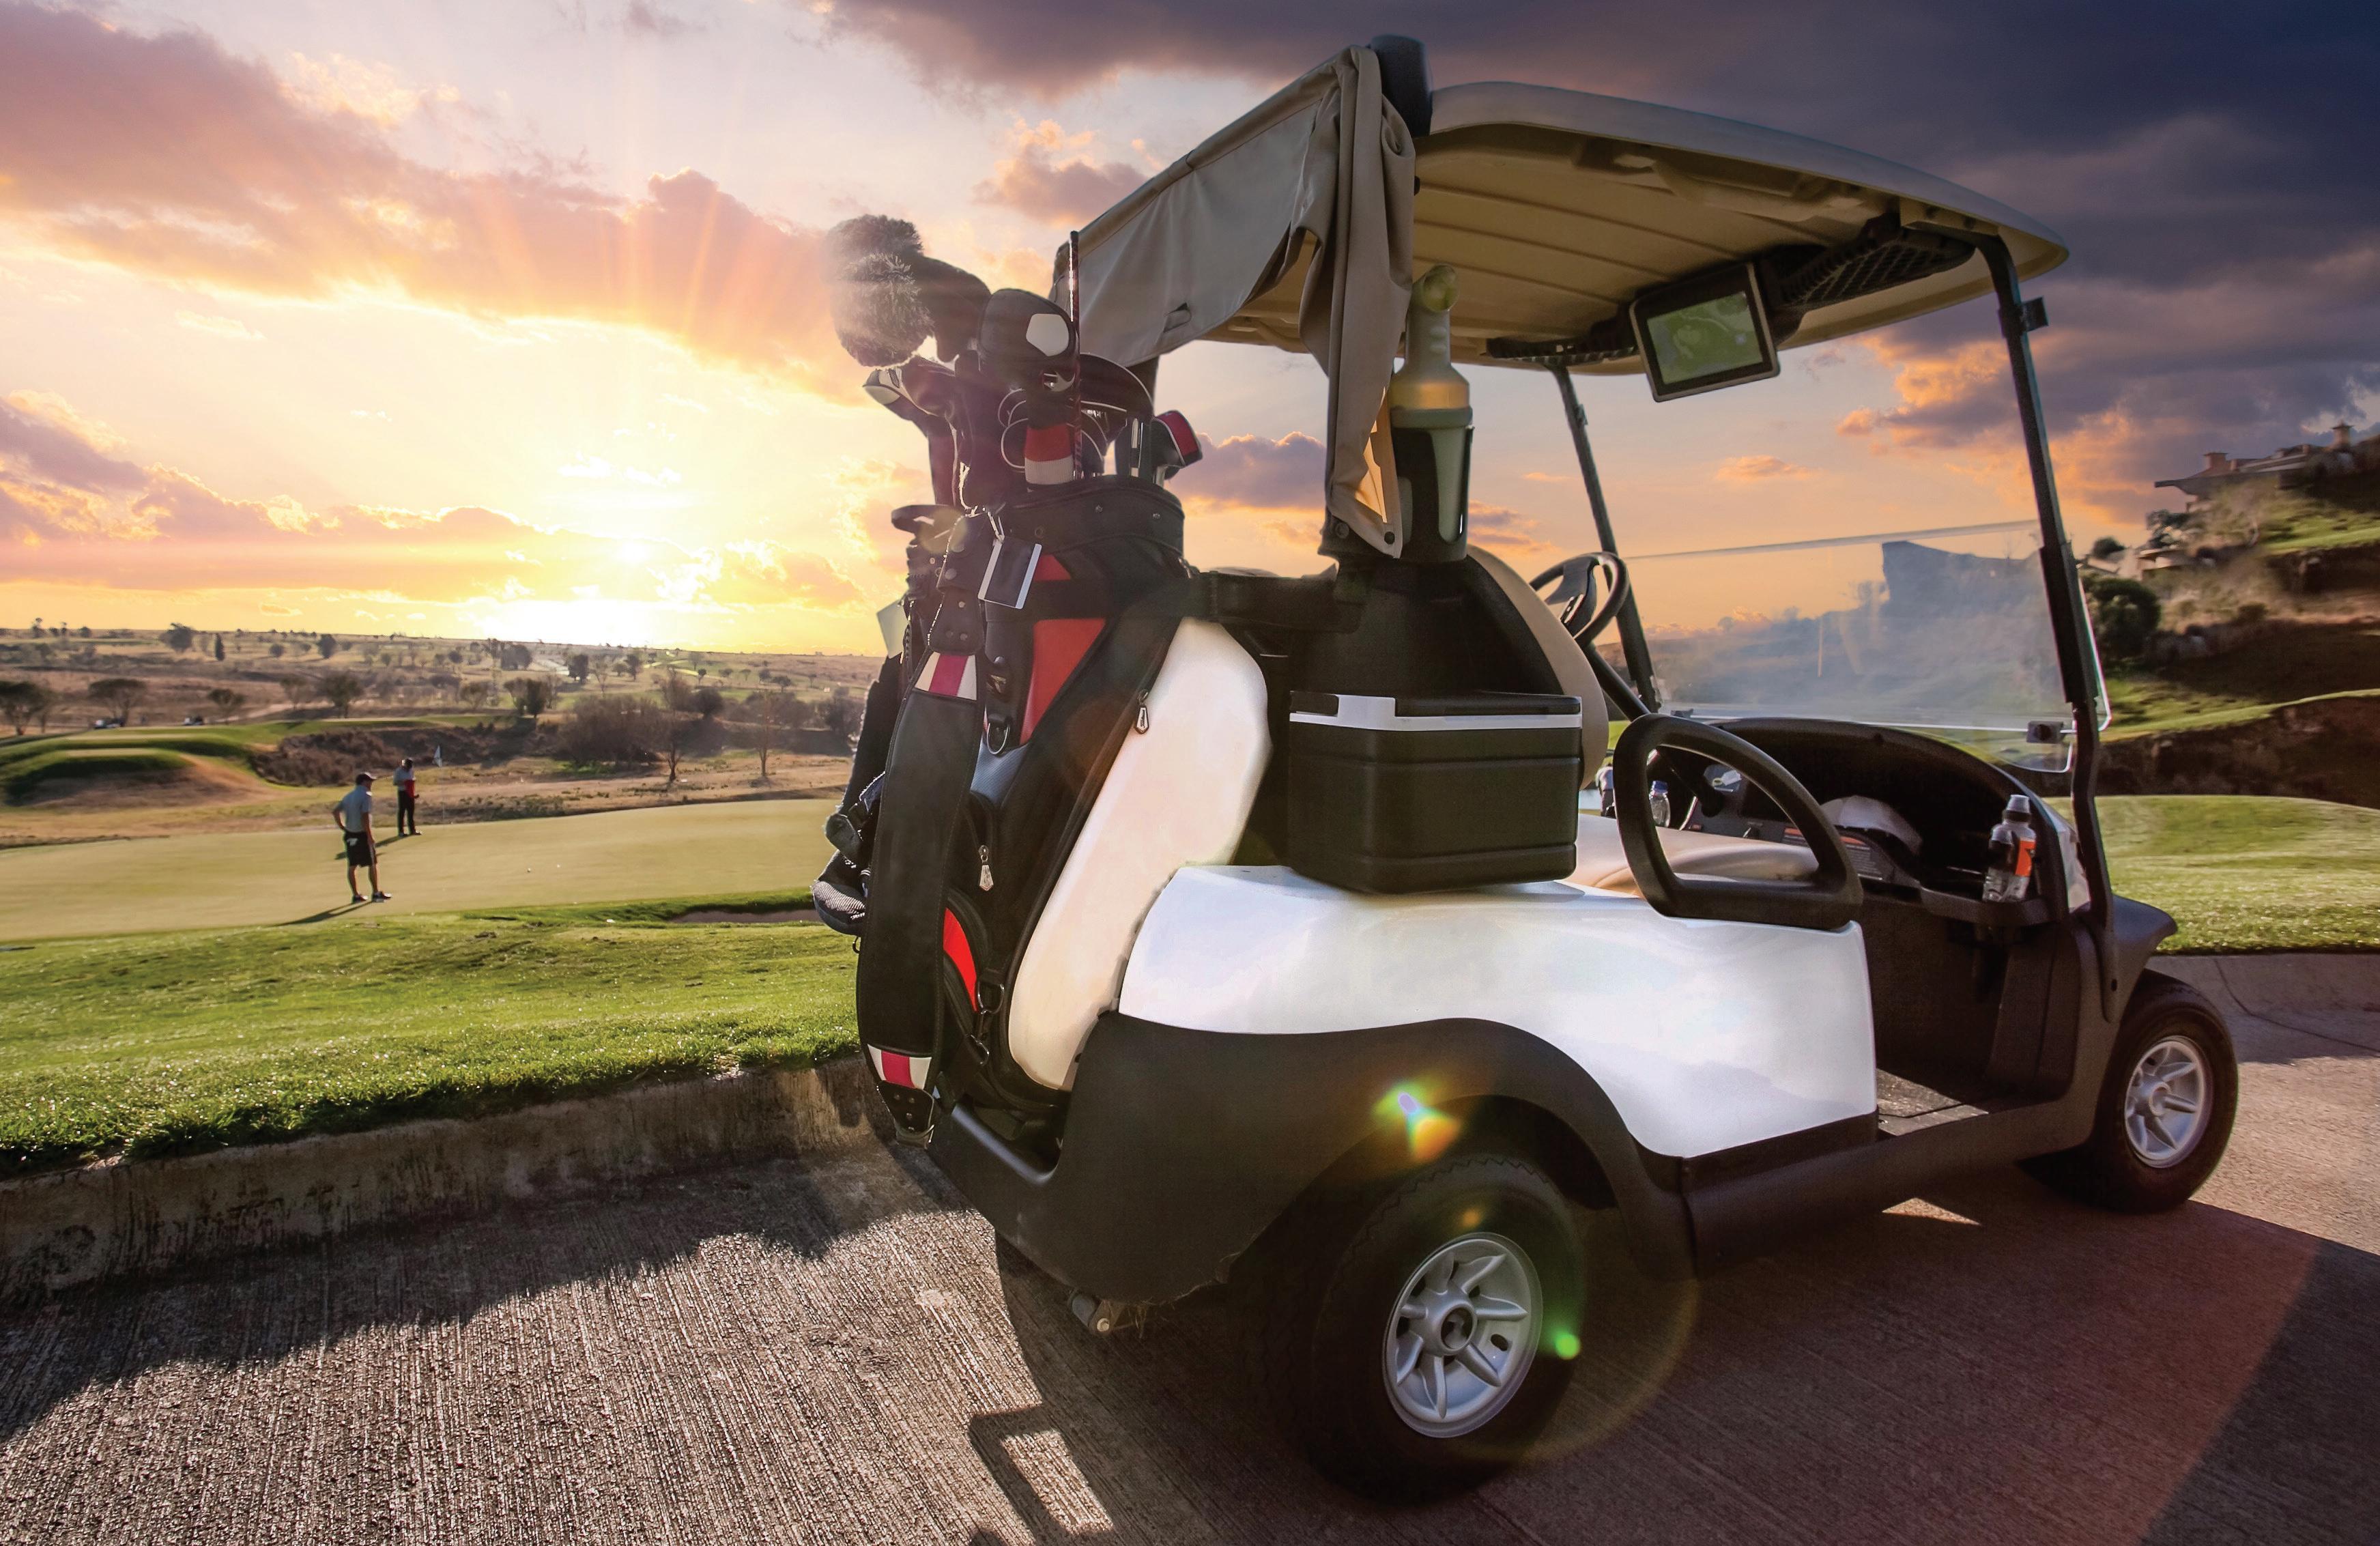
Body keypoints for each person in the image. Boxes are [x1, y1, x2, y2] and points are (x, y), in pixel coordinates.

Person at [333, 771, 390, 904]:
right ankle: (376, 893)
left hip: (350, 834)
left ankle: (356, 895)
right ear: (364, 782)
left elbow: (336, 811)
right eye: (370, 781)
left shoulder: (348, 796)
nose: (371, 784)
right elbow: (365, 816)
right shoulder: (366, 795)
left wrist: (342, 827)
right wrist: (370, 836)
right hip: (362, 834)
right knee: (372, 863)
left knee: (352, 866)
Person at [393, 756, 419, 836]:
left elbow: (413, 780)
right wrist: (404, 782)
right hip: (402, 792)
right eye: (408, 766)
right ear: (405, 765)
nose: (409, 769)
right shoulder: (398, 771)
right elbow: (395, 783)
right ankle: (401, 832)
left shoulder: (411, 770)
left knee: (411, 812)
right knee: (402, 812)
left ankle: (412, 830)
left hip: (410, 793)